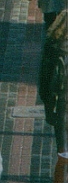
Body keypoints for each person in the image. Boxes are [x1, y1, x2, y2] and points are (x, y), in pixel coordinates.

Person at [39, 10, 67, 153]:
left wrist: (48, 110)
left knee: (63, 149)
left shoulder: (52, 47)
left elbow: (44, 81)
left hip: (61, 102)